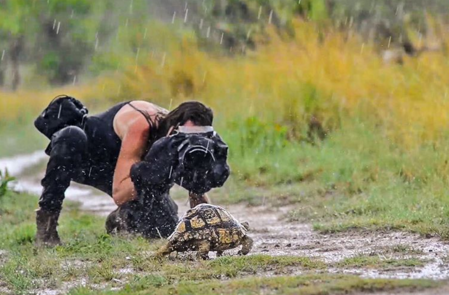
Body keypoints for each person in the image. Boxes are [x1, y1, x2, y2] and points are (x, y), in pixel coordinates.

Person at [34, 95, 230, 246]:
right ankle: (47, 224)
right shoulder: (142, 124)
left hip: (133, 173)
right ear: (172, 128)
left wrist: (209, 223)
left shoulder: (189, 143)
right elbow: (120, 192)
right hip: (91, 160)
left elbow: (196, 195)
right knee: (71, 136)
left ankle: (120, 219)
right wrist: (157, 170)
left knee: (163, 228)